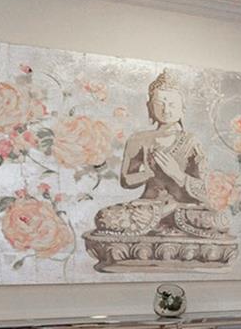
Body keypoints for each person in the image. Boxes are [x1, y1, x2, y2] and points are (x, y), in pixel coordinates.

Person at [92, 70, 229, 237]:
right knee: (105, 218)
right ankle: (160, 224)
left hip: (180, 209)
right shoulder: (139, 139)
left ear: (182, 108)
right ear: (149, 106)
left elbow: (206, 191)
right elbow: (127, 181)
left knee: (219, 218)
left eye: (172, 104)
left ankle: (161, 224)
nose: (166, 110)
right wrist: (148, 174)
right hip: (147, 208)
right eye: (160, 104)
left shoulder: (191, 142)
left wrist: (178, 174)